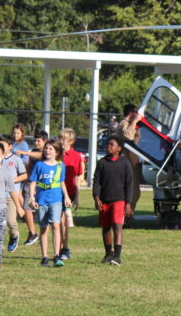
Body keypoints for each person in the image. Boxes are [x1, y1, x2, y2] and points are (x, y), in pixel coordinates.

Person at [29, 139, 71, 267]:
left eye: (51, 149)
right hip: (41, 201)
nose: (47, 151)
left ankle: (56, 255)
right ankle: (44, 256)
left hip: (56, 200)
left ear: (57, 152)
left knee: (56, 226)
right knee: (43, 228)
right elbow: (32, 183)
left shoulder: (60, 166)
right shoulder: (39, 165)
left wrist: (67, 197)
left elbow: (62, 182)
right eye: (46, 148)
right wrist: (31, 198)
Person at [92, 136, 133, 266]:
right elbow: (97, 181)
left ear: (119, 148)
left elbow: (129, 184)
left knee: (117, 225)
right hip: (104, 200)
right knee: (106, 227)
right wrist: (97, 197)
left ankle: (117, 256)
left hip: (119, 200)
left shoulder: (125, 163)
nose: (108, 146)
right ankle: (108, 254)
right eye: (108, 144)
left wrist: (128, 203)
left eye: (112, 144)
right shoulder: (102, 162)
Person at [15, 131, 48, 246]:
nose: (36, 142)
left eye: (39, 140)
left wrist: (25, 152)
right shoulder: (33, 151)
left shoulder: (47, 152)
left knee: (43, 210)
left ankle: (41, 234)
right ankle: (32, 233)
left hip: (43, 185)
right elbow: (29, 167)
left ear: (45, 141)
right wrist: (27, 181)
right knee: (27, 207)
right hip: (31, 183)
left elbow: (40, 156)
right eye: (35, 140)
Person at [0, 134, 27, 253]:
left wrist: (12, 180)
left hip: (11, 196)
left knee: (10, 221)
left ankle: (14, 236)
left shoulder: (16, 160)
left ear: (10, 146)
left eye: (2, 145)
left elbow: (24, 175)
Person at [58, 128, 83, 261]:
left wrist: (77, 197)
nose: (61, 142)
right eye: (60, 138)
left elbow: (78, 177)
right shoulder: (55, 153)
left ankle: (65, 248)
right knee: (56, 223)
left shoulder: (76, 156)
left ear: (71, 141)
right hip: (55, 191)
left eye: (64, 139)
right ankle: (60, 248)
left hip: (69, 192)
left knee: (62, 222)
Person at [115, 104, 143, 218]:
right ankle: (123, 217)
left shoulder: (131, 124)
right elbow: (128, 136)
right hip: (125, 162)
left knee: (135, 192)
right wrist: (135, 121)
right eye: (135, 112)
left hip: (132, 161)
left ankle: (127, 216)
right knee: (129, 191)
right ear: (131, 113)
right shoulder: (124, 124)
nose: (137, 115)